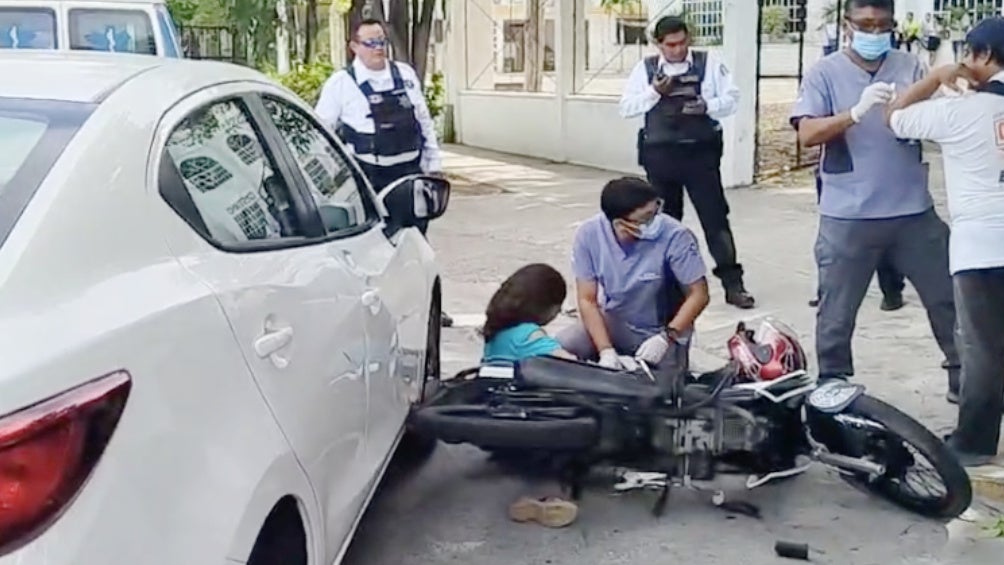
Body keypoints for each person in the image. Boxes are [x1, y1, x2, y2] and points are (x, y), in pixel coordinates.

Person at [789, 0, 960, 399]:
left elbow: (933, 119)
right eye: (865, 24)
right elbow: (808, 134)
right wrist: (854, 112)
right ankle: (833, 383)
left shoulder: (909, 66)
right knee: (836, 309)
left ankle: (961, 374)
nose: (874, 32)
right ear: (847, 26)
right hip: (848, 214)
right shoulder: (824, 74)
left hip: (912, 211)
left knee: (947, 299)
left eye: (882, 25)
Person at [885, 17, 1004, 466]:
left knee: (983, 349)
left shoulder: (958, 111)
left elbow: (893, 117)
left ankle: (974, 442)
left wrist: (935, 76)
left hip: (982, 248)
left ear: (982, 57)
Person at [315, 18, 453, 326]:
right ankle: (381, 310)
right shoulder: (341, 84)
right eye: (371, 43)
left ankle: (425, 305)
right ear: (354, 47)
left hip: (411, 172)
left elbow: (423, 120)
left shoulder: (403, 75)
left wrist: (434, 165)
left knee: (417, 242)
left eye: (382, 42)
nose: (379, 49)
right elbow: (320, 134)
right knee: (376, 246)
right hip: (370, 178)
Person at [618, 15, 754, 309]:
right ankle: (664, 287)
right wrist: (655, 92)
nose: (677, 50)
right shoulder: (645, 69)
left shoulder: (709, 63)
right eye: (670, 45)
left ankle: (733, 285)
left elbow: (732, 98)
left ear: (688, 38)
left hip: (700, 156)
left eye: (682, 43)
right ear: (658, 44)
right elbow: (626, 108)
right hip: (660, 157)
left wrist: (708, 106)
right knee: (663, 224)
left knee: (715, 221)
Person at [557, 176, 710, 384]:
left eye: (657, 211)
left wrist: (667, 336)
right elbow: (587, 299)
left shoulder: (676, 237)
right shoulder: (590, 235)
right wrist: (606, 350)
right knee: (561, 349)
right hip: (615, 320)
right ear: (621, 224)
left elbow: (698, 294)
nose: (655, 220)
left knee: (660, 391)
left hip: (660, 330)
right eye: (647, 217)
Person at [808, 166, 907, 311]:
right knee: (834, 242)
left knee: (881, 230)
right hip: (838, 174)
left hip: (875, 175)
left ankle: (891, 290)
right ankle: (829, 292)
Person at [482, 263, 576, 363]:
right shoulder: (528, 336)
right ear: (545, 305)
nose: (559, 311)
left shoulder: (495, 333)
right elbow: (570, 363)